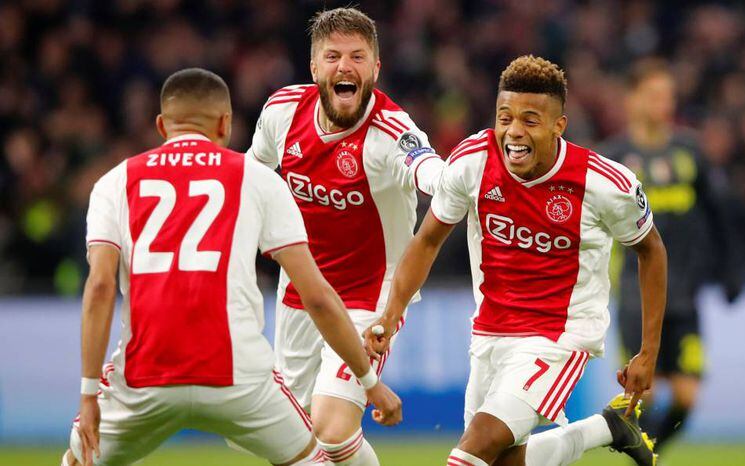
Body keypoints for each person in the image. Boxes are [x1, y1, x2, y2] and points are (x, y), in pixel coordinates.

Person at [62, 68, 401, 466]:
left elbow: (100, 288)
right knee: (320, 459)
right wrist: (369, 381)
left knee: (79, 459)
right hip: (240, 377)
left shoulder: (114, 183)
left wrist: (88, 394)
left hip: (143, 377)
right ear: (225, 124)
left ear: (161, 125)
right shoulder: (259, 180)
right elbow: (317, 296)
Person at [363, 55, 668, 466]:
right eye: (504, 118)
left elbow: (651, 250)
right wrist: (390, 314)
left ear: (559, 126)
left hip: (558, 336)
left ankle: (609, 427)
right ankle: (608, 428)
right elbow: (428, 240)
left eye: (530, 120)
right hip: (489, 332)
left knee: (471, 451)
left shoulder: (603, 184)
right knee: (497, 460)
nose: (514, 132)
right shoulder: (473, 160)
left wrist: (648, 352)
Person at [246, 8, 443, 465]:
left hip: (370, 296)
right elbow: (252, 175)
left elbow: (428, 169)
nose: (345, 66)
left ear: (376, 68)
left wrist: (454, 180)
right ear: (314, 67)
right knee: (291, 441)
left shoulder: (391, 131)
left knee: (331, 430)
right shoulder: (282, 112)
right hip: (301, 291)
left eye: (357, 56)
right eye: (333, 56)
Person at [599, 58, 742, 450]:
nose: (664, 104)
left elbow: (718, 214)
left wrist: (730, 270)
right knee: (641, 396)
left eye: (668, 96)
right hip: (636, 295)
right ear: (631, 100)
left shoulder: (689, 151)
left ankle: (649, 454)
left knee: (686, 396)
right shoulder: (612, 159)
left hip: (685, 294)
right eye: (654, 95)